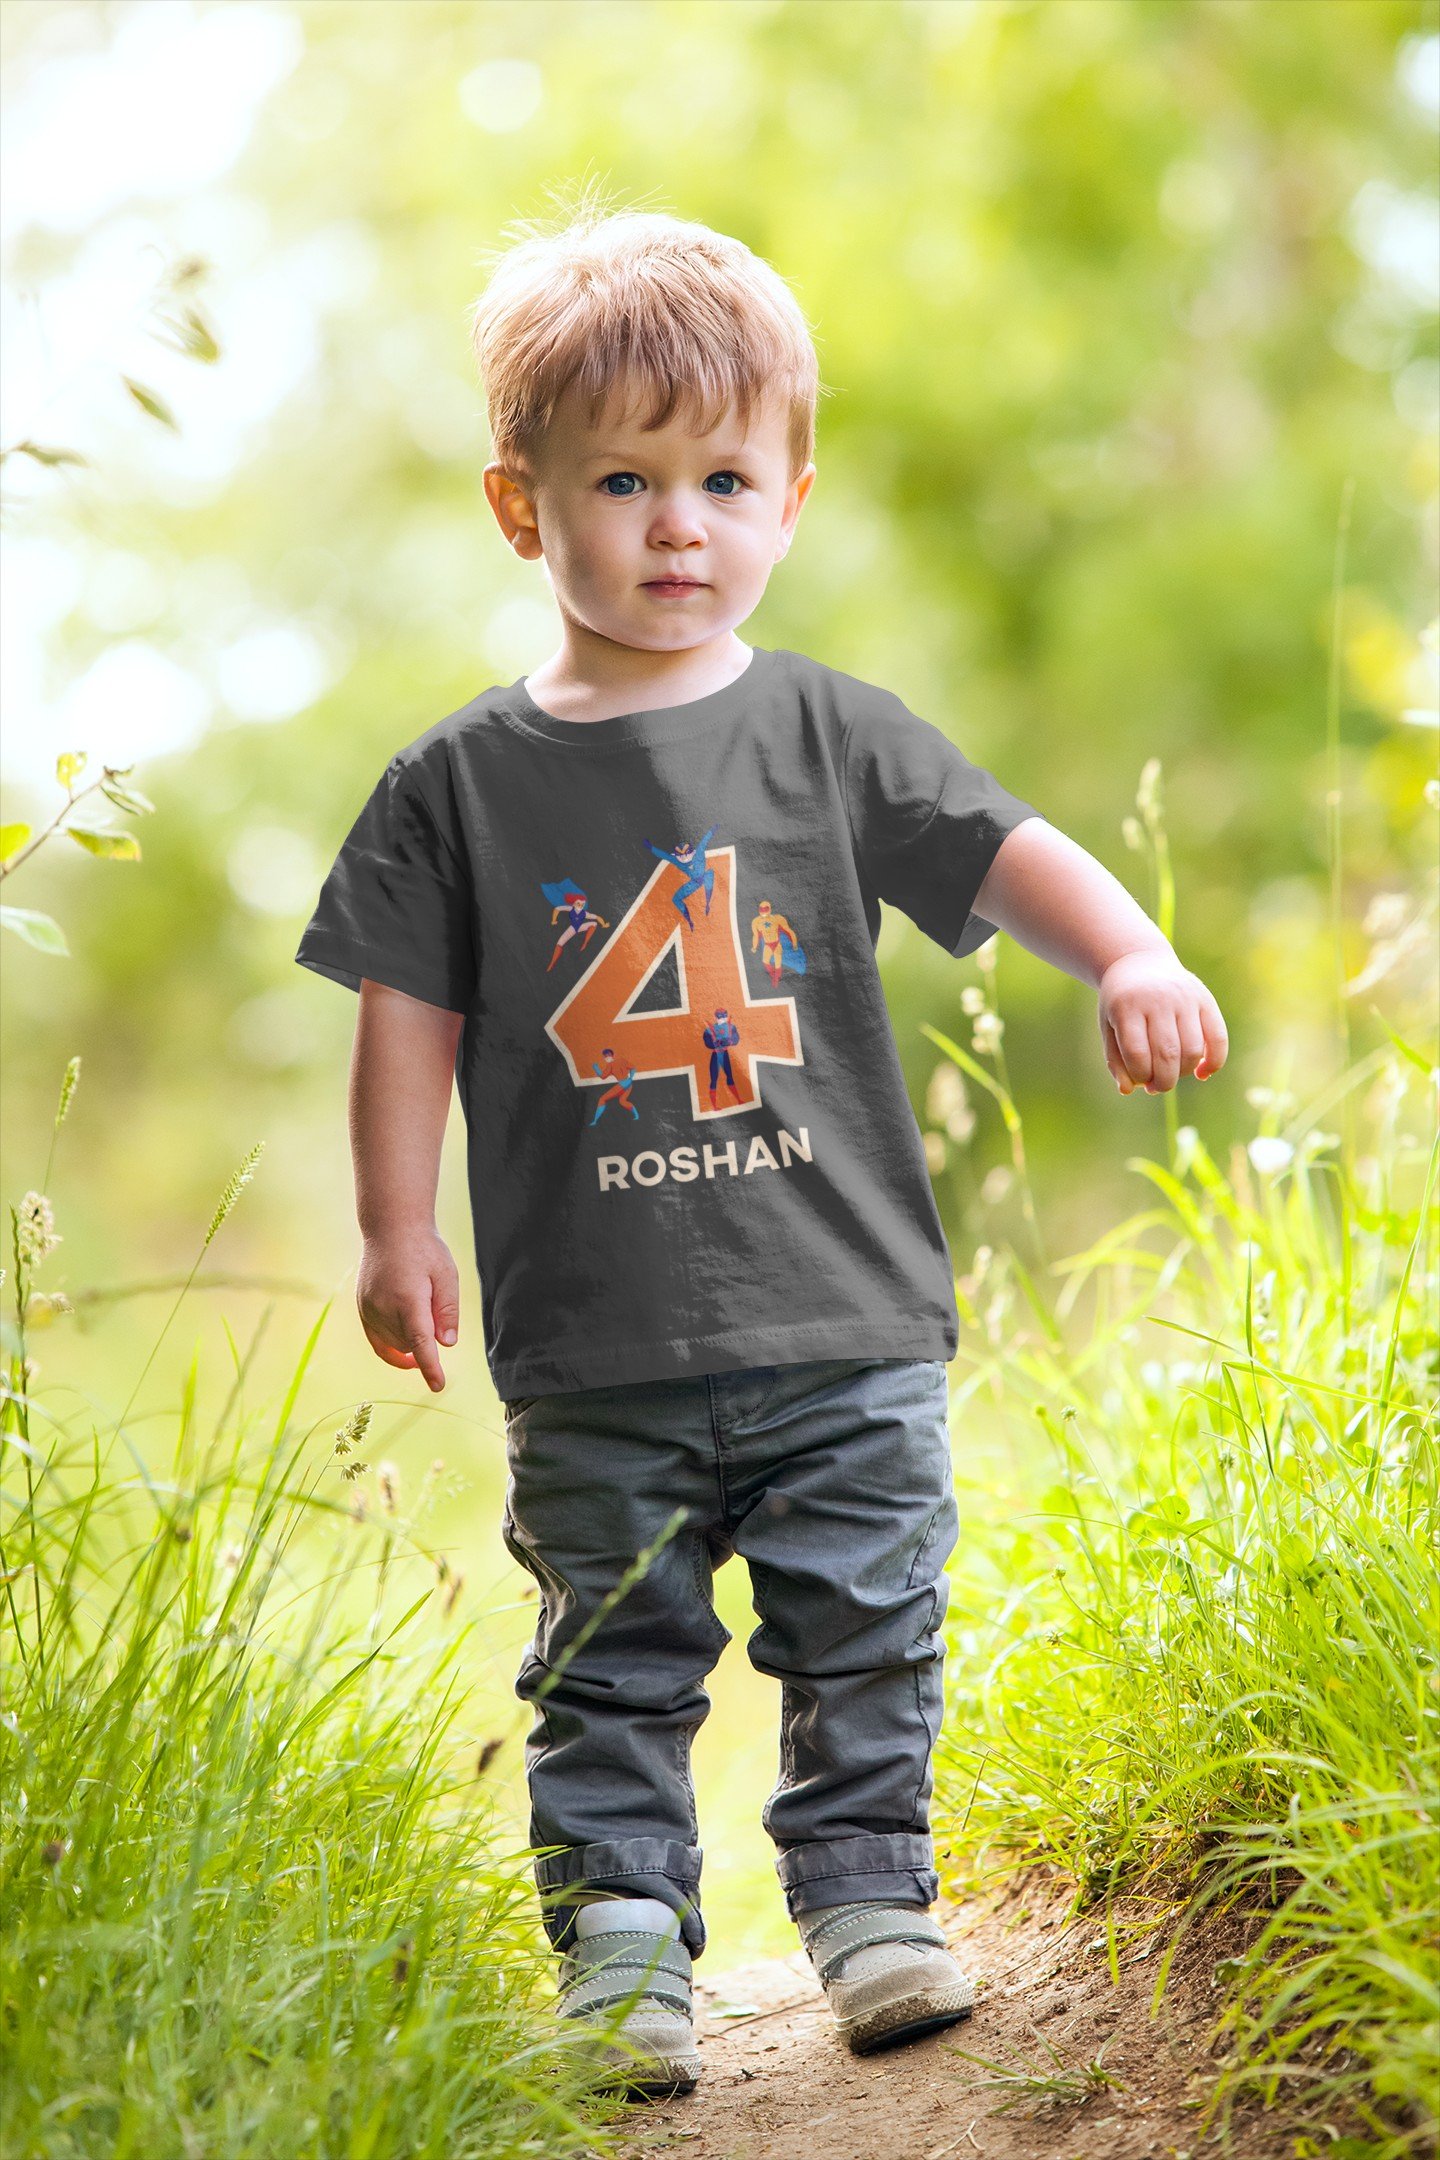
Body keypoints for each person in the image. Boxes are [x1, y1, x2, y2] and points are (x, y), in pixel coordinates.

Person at [294, 203, 1228, 2101]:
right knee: (607, 1658)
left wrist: (1131, 950)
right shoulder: (454, 786)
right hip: (595, 1345)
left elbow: (1004, 852)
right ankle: (622, 1944)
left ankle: (871, 1901)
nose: (677, 526)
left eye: (724, 480)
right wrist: (397, 1227)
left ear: (791, 503)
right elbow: (406, 1012)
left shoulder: (827, 731)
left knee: (866, 1628)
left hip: (842, 1317)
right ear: (520, 507)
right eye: (623, 481)